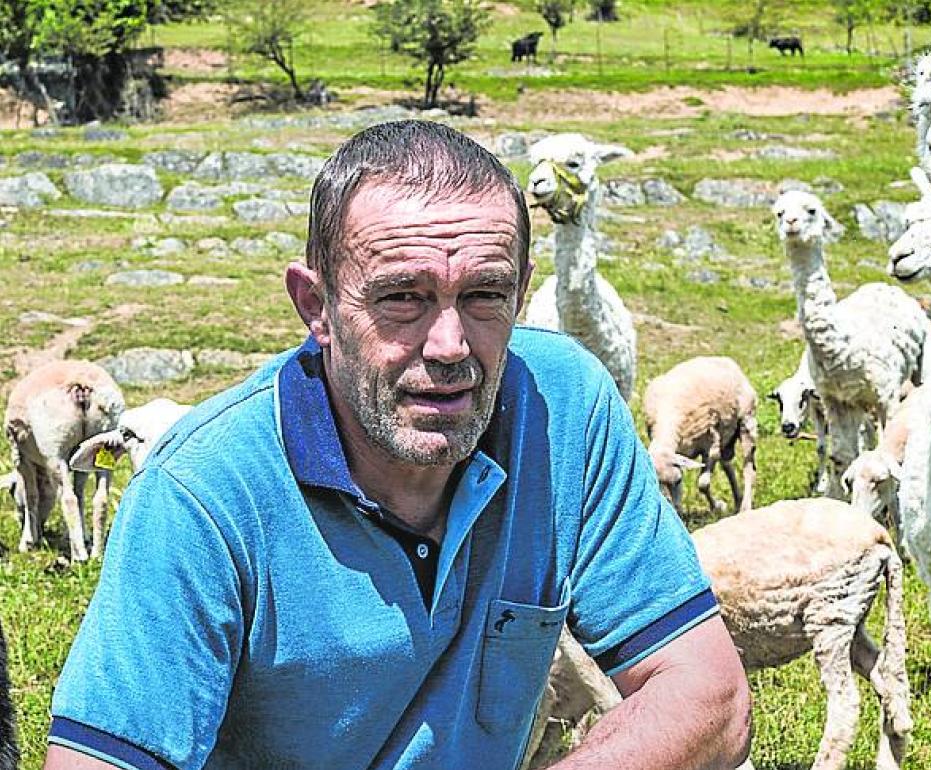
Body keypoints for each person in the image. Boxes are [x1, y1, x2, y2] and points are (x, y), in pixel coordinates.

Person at [44, 121, 751, 770]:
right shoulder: (203, 495)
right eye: (401, 298)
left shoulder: (561, 410)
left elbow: (709, 693)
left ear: (522, 293)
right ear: (316, 307)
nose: (449, 347)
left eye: (483, 295)